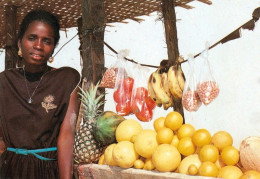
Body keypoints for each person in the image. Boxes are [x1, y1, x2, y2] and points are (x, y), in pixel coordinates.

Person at [0, 10, 81, 178]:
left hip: (47, 170)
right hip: (10, 170)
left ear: (53, 48)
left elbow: (66, 136)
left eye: (47, 41)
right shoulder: (4, 81)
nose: (38, 45)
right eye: (32, 38)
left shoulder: (66, 80)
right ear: (19, 42)